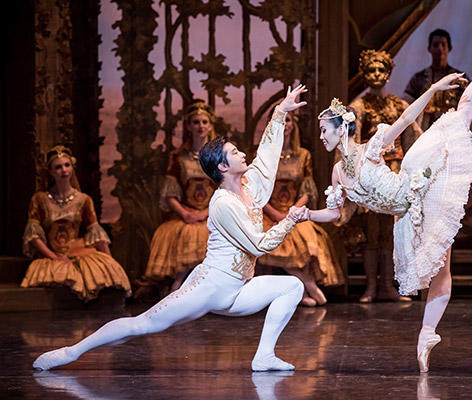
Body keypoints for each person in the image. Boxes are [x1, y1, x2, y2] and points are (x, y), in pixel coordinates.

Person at [32, 85, 309, 372]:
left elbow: (266, 157)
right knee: (143, 324)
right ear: (223, 167)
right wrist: (290, 220)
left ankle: (263, 357)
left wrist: (279, 112)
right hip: (211, 287)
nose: (242, 154)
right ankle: (71, 352)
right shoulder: (223, 203)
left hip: (239, 289)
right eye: (235, 152)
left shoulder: (249, 186)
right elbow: (257, 245)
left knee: (291, 286)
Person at [308, 21, 472, 372]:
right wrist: (305, 215)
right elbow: (335, 214)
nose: (320, 136)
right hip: (406, 217)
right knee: (439, 272)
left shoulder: (369, 148)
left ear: (340, 128)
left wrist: (435, 86)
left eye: (323, 130)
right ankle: (426, 334)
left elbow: (407, 117)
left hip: (417, 183)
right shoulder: (336, 173)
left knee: (462, 110)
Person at [348, 49, 423, 303]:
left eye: (381, 69)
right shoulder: (357, 107)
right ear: (364, 73)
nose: (376, 74)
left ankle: (389, 286)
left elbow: (413, 138)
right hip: (372, 173)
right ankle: (370, 286)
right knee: (372, 233)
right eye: (372, 69)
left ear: (389, 73)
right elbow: (352, 143)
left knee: (392, 232)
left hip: (395, 174)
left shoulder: (399, 105)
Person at [21, 145, 131, 301]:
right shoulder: (40, 199)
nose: (64, 170)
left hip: (77, 249)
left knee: (96, 270)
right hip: (53, 253)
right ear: (51, 172)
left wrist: (111, 264)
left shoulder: (84, 199)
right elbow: (33, 235)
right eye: (58, 167)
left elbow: (96, 233)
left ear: (72, 168)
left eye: (67, 165)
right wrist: (53, 256)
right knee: (56, 274)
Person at [260, 110, 344, 307]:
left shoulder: (303, 155)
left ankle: (304, 291)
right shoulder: (266, 154)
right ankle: (308, 284)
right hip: (269, 212)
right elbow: (258, 189)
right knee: (272, 247)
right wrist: (275, 214)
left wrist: (291, 213)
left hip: (293, 211)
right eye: (281, 121)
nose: (285, 124)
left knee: (304, 246)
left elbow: (306, 191)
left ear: (293, 124)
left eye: (288, 120)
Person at [140, 100, 218, 294]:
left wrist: (206, 213)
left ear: (210, 125)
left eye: (204, 122)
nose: (200, 126)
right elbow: (169, 194)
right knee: (186, 235)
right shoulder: (179, 157)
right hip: (187, 214)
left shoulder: (218, 156)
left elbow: (228, 190)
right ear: (189, 126)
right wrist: (186, 214)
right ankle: (178, 289)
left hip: (213, 214)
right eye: (196, 122)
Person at [404, 29, 469, 131]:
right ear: (429, 48)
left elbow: (469, 106)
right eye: (435, 45)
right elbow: (406, 105)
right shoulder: (419, 78)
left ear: (450, 48)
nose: (440, 48)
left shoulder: (460, 78)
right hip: (424, 131)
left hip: (452, 131)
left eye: (443, 45)